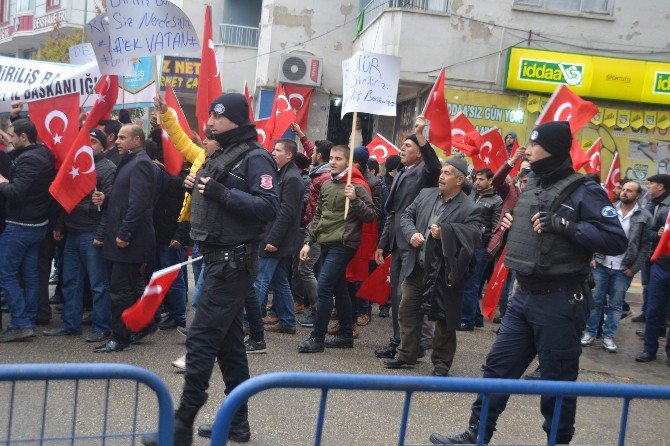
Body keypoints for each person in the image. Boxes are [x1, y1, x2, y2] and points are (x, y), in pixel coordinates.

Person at [430, 121, 627, 445]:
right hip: (525, 296)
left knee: (557, 382)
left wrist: (564, 225)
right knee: (496, 370)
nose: (528, 150)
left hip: (561, 300)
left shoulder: (584, 190)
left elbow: (615, 239)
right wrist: (512, 222)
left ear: (552, 149)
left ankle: (558, 441)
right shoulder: (533, 184)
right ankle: (475, 435)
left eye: (534, 144)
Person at [143, 93, 278, 445]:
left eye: (217, 117)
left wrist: (220, 193)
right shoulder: (222, 154)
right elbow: (207, 187)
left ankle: (182, 421)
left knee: (201, 338)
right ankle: (237, 423)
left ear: (235, 119)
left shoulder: (255, 157)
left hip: (233, 263)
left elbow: (267, 206)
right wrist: (196, 186)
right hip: (218, 258)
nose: (211, 122)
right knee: (229, 349)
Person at [383, 158, 481, 376]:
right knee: (407, 310)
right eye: (442, 172)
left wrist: (446, 232)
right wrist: (411, 234)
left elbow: (475, 235)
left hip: (445, 272)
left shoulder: (469, 207)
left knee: (444, 318)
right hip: (417, 267)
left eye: (447, 173)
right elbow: (406, 216)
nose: (441, 176)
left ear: (460, 179)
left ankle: (441, 363)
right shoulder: (426, 194)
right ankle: (406, 353)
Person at [297, 145, 376, 353]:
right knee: (339, 289)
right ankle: (345, 335)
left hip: (344, 244)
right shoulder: (327, 185)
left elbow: (370, 216)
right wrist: (308, 241)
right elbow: (318, 216)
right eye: (331, 158)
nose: (332, 161)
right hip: (325, 242)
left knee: (323, 288)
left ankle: (317, 337)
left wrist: (355, 200)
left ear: (347, 163)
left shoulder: (357, 186)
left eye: (338, 159)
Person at [374, 116, 441, 359]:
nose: (402, 149)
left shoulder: (426, 171)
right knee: (396, 297)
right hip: (397, 242)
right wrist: (383, 243)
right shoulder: (402, 172)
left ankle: (410, 346)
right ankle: (397, 341)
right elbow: (393, 211)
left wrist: (421, 136)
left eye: (408, 146)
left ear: (420, 153)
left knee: (407, 298)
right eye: (402, 145)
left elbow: (435, 165)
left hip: (415, 242)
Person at [45, 129, 116, 343]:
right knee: (70, 281)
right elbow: (67, 197)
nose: (89, 145)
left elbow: (110, 204)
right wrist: (60, 225)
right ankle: (71, 324)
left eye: (94, 141)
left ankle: (102, 327)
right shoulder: (75, 163)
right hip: (73, 231)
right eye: (87, 141)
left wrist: (101, 233)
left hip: (92, 232)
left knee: (98, 284)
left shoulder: (107, 168)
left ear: (103, 146)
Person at [95, 124, 157, 353]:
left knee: (120, 290)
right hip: (123, 237)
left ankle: (120, 338)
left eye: (122, 138)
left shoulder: (141, 163)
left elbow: (138, 203)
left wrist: (124, 233)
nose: (117, 141)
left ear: (137, 141)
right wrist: (106, 197)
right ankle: (145, 324)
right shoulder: (130, 161)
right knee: (131, 286)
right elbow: (124, 196)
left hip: (129, 240)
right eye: (117, 137)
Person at [0, 118, 56, 342]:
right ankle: (29, 318)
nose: (9, 140)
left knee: (6, 274)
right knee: (30, 274)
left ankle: (21, 323)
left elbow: (16, 191)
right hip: (36, 226)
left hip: (21, 226)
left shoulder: (30, 160)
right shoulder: (41, 153)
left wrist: (2, 181)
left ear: (24, 137)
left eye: (12, 137)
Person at [580, 180, 651, 352]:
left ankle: (608, 337)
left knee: (616, 305)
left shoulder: (644, 216)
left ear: (638, 195)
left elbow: (645, 245)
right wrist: (592, 256)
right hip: (602, 264)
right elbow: (595, 233)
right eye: (623, 189)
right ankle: (589, 333)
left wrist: (634, 268)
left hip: (623, 268)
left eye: (630, 191)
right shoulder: (608, 210)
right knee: (595, 301)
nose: (625, 193)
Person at [254, 138, 305, 338]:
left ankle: (249, 323)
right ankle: (287, 321)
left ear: (289, 155)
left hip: (276, 240)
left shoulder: (291, 178)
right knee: (280, 281)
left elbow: (287, 212)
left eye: (277, 150)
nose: (273, 152)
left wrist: (273, 240)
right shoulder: (283, 174)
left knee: (260, 281)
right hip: (277, 238)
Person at [295, 137, 334, 327]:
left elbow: (322, 210)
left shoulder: (324, 177)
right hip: (313, 228)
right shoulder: (319, 171)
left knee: (305, 269)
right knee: (313, 270)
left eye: (313, 153)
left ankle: (318, 311)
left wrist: (312, 233)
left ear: (319, 156)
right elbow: (314, 150)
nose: (310, 155)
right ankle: (317, 310)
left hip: (317, 230)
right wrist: (302, 135)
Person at [458, 167, 502, 331]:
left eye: (481, 179)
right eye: (476, 179)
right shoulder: (472, 195)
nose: (477, 182)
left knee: (471, 284)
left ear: (490, 181)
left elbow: (497, 227)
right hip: (467, 242)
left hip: (481, 246)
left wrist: (490, 250)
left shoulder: (497, 200)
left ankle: (466, 320)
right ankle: (476, 318)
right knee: (468, 282)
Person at [635, 175, 670, 364]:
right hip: (660, 266)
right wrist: (657, 234)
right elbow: (648, 232)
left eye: (651, 184)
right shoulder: (663, 210)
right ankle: (649, 350)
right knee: (654, 311)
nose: (649, 187)